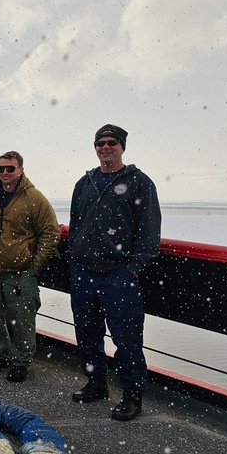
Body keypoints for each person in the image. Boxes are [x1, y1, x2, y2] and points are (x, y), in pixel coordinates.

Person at [68, 124, 161, 421]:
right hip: (83, 272)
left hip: (118, 275)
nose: (105, 147)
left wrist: (134, 268)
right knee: (87, 333)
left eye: (112, 143)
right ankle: (96, 384)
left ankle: (132, 395)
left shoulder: (139, 183)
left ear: (122, 146)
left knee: (127, 339)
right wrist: (75, 256)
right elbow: (75, 222)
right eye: (100, 143)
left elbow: (149, 229)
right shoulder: (85, 183)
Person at [0, 151, 60, 383]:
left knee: (22, 318)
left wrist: (35, 265)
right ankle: (1, 354)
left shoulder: (34, 198)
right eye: (0, 168)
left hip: (21, 272)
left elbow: (51, 232)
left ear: (21, 170)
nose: (4, 173)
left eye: (10, 168)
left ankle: (21, 360)